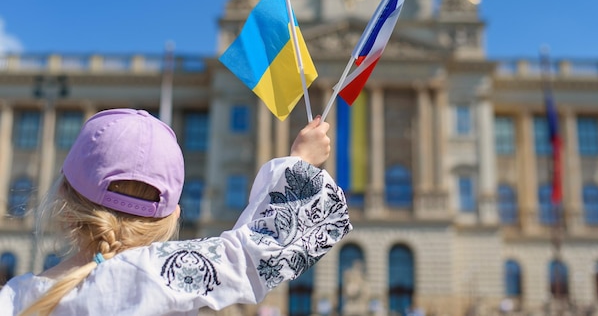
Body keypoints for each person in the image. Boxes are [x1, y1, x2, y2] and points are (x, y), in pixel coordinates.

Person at [0, 108, 351, 315]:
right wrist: (301, 162)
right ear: (170, 216)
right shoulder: (164, 274)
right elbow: (260, 251)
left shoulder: (13, 298)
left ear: (64, 196)